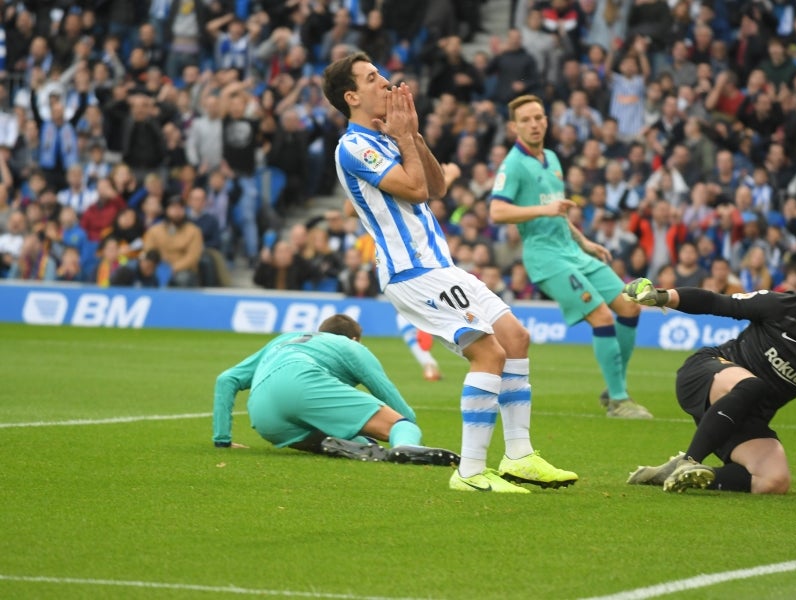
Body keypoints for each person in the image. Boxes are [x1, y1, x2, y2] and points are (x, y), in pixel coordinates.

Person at [323, 52, 577, 493]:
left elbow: (437, 188)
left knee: (515, 337)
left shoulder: (389, 136)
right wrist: (403, 138)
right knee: (489, 353)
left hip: (439, 265)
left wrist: (413, 135)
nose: (384, 82)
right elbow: (416, 189)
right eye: (371, 78)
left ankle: (519, 456)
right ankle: (472, 471)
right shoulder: (354, 146)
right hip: (412, 271)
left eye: (380, 73)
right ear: (352, 96)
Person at [623, 256, 796, 496]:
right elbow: (715, 302)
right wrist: (661, 296)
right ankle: (690, 460)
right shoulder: (782, 308)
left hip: (739, 417)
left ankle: (679, 474)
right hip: (705, 374)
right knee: (753, 385)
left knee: (774, 480)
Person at [490, 94, 650, 419]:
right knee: (603, 316)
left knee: (630, 306)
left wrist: (585, 241)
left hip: (572, 251)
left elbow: (558, 212)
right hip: (546, 258)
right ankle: (618, 401)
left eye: (539, 117)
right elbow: (497, 211)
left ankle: (613, 385)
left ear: (546, 120)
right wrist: (542, 209)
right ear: (514, 127)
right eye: (526, 120)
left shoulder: (551, 157)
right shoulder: (513, 165)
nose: (534, 124)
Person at [212, 314, 459, 466]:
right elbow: (390, 397)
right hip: (302, 381)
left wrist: (223, 441)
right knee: (401, 426)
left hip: (264, 416)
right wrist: (408, 428)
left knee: (348, 438)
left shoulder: (285, 339)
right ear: (354, 339)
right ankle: (407, 448)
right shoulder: (350, 347)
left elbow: (226, 380)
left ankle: (343, 445)